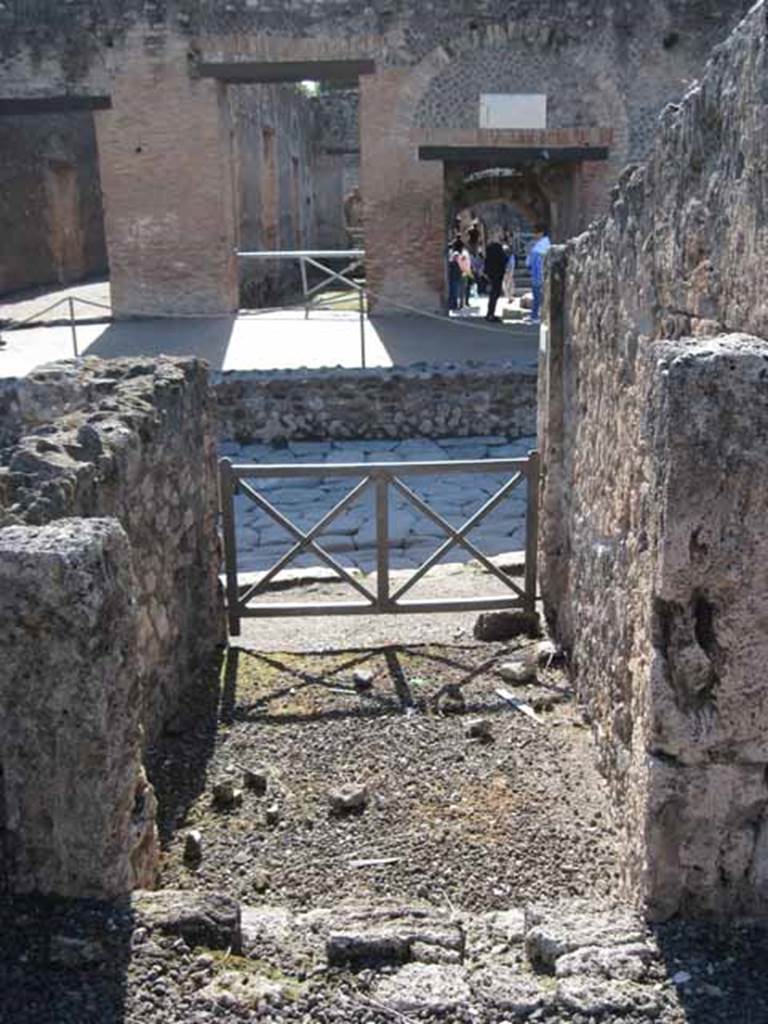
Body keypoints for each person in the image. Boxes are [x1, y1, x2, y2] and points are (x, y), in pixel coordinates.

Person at [526, 223, 552, 324]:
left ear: (541, 233)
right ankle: (535, 314)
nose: (534, 235)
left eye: (536, 233)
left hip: (538, 274)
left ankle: (536, 315)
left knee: (538, 296)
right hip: (537, 274)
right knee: (537, 296)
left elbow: (534, 261)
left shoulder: (542, 246)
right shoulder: (541, 244)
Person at [484, 232, 507, 322]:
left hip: (491, 273)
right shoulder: (498, 249)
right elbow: (503, 260)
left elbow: (486, 261)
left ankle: (490, 313)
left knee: (493, 294)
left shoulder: (489, 248)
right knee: (495, 294)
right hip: (497, 274)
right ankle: (490, 314)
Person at [447, 236, 464, 313]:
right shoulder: (453, 263)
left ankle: (454, 305)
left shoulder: (454, 263)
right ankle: (453, 305)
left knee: (455, 292)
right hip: (454, 279)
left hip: (455, 278)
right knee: (454, 292)